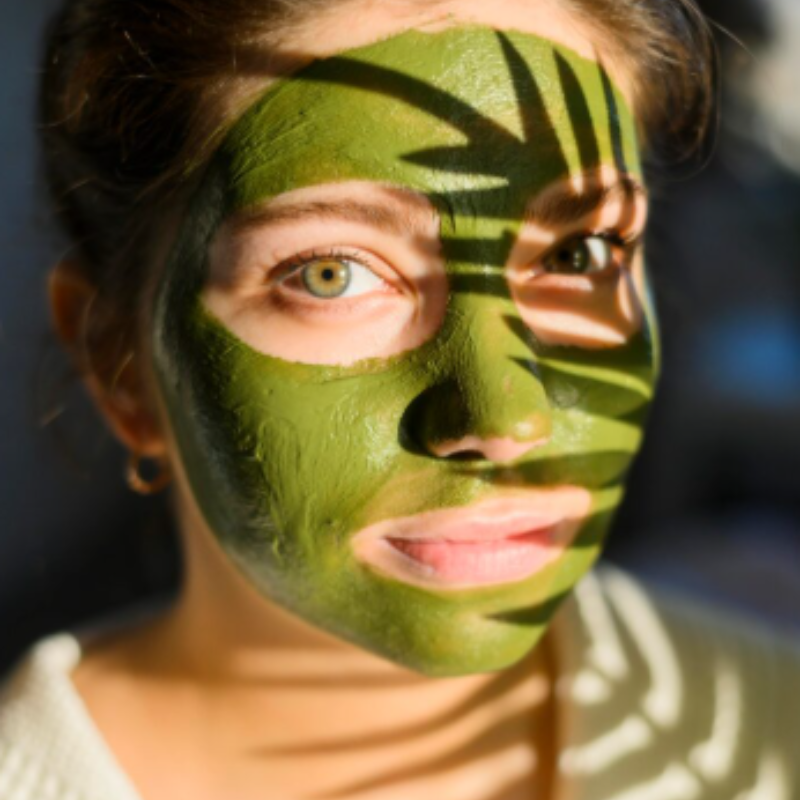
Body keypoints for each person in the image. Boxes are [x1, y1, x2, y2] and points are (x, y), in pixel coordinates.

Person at [0, 0, 798, 798]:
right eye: (330, 273)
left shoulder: (770, 738)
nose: (504, 419)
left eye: (578, 250)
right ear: (119, 364)